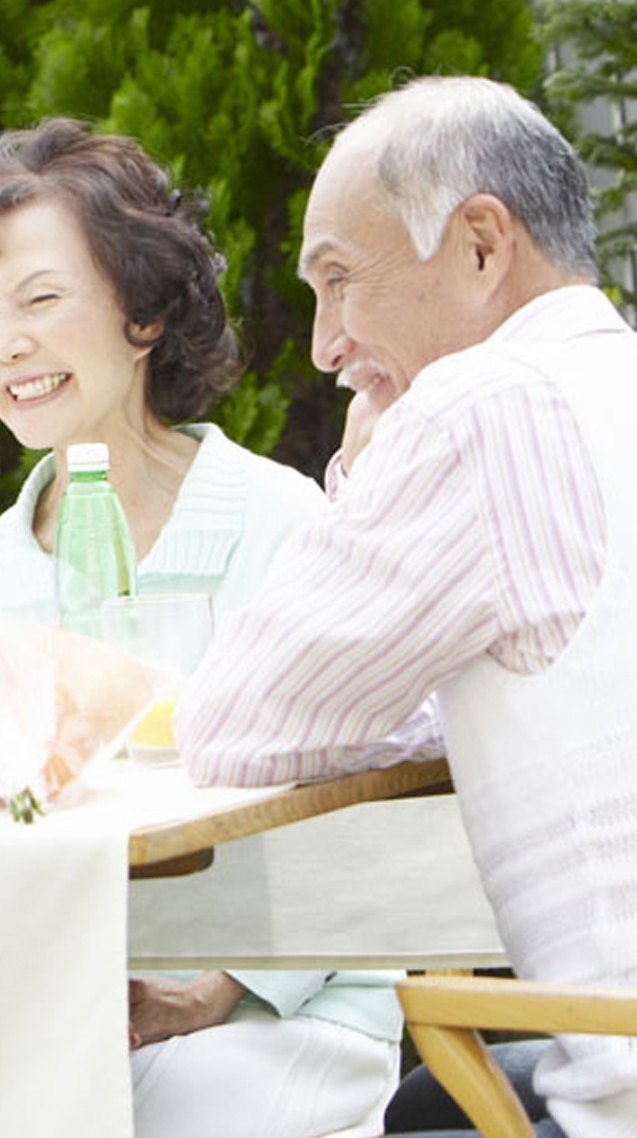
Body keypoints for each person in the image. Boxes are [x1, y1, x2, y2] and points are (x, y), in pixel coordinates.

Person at [178, 75, 637, 1138]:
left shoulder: (479, 407)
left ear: (480, 245)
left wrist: (364, 474)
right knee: (426, 1106)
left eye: (338, 282)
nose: (324, 345)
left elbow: (236, 726)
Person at [0, 121, 401, 1138]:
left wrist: (214, 987)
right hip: (62, 1020)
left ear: (142, 312)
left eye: (40, 300)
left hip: (290, 1010)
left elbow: (357, 811)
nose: (4, 343)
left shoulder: (280, 526)